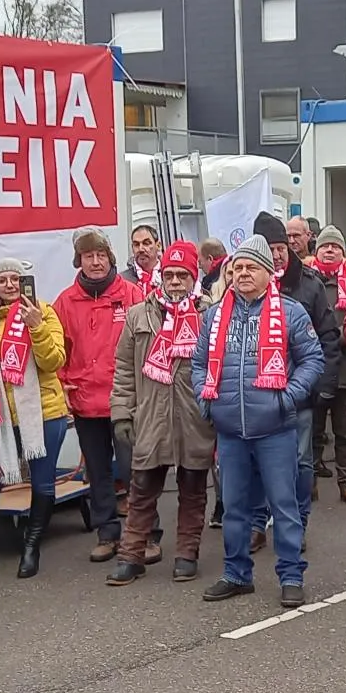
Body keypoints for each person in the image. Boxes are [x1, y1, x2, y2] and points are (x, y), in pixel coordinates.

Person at [192, 235, 324, 608]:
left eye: (252, 268)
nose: (243, 274)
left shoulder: (292, 312)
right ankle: (236, 574)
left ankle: (291, 576)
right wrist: (206, 400)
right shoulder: (215, 316)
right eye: (237, 269)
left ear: (269, 272)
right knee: (233, 507)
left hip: (276, 430)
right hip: (231, 431)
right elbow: (199, 365)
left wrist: (288, 398)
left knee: (283, 506)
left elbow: (313, 359)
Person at [109, 240, 214, 586]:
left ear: (193, 278)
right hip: (151, 417)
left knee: (193, 489)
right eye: (168, 274)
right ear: (160, 276)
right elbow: (124, 368)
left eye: (182, 275)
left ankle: (187, 553)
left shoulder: (208, 315)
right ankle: (131, 556)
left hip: (194, 418)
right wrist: (122, 413)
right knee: (141, 491)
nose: (174, 282)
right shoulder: (139, 315)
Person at [0, 259, 69, 581]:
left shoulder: (44, 312)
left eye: (15, 279)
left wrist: (36, 326)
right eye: (2, 280)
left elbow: (54, 360)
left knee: (42, 482)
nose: (9, 285)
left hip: (43, 414)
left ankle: (31, 547)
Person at [249, 211, 342, 544]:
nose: (275, 254)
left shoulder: (309, 284)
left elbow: (329, 337)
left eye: (281, 247)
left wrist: (322, 387)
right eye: (268, 248)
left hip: (300, 394)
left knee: (300, 464)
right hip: (258, 396)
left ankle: (296, 525)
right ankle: (257, 524)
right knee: (257, 464)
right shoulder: (244, 286)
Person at [54, 228, 144, 562]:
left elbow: (146, 345)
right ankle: (108, 534)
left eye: (101, 255)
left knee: (135, 469)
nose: (95, 262)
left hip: (124, 400)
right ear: (79, 261)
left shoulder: (132, 295)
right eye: (88, 256)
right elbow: (58, 349)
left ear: (110, 259)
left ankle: (145, 532)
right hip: (85, 401)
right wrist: (63, 383)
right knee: (98, 471)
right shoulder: (65, 301)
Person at [311, 225, 346, 506]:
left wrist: (341, 336)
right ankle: (308, 482)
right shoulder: (308, 282)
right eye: (325, 246)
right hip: (315, 369)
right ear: (316, 250)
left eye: (335, 246)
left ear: (343, 253)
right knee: (313, 431)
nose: (330, 250)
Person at [124, 224, 164, 292]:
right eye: (136, 244)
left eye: (146, 243)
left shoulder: (171, 276)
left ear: (158, 246)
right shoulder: (123, 280)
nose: (141, 249)